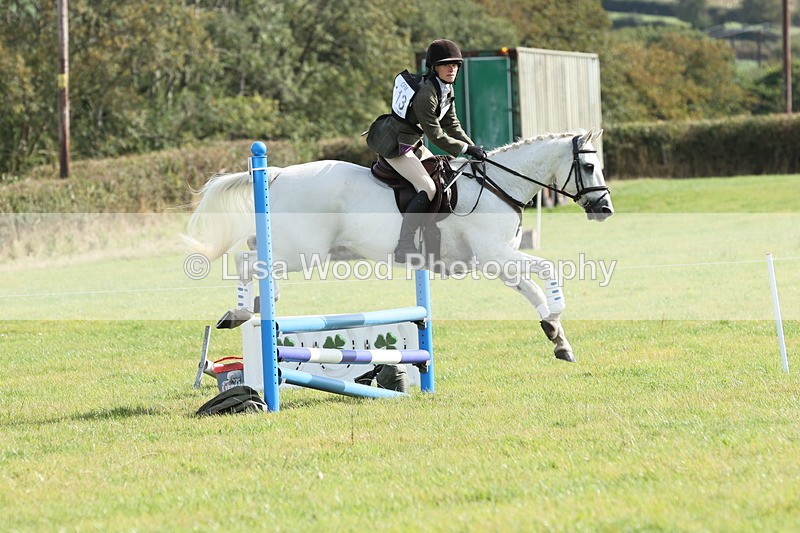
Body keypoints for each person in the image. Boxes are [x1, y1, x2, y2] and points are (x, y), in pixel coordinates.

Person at [366, 38, 487, 263]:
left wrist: (472, 148)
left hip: (411, 141)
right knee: (428, 187)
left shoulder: (446, 90)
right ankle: (404, 245)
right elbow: (435, 135)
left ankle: (431, 235)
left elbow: (452, 125)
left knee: (442, 177)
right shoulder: (426, 94)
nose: (453, 68)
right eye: (446, 64)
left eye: (456, 65)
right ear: (434, 67)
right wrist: (465, 149)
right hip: (394, 144)